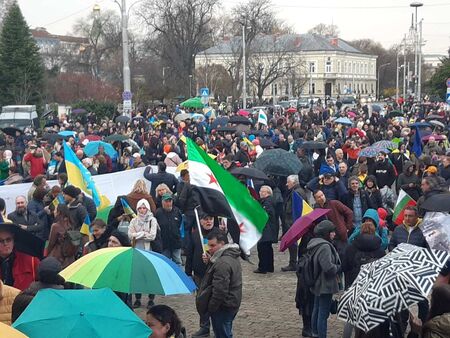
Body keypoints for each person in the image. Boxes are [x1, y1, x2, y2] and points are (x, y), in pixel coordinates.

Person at [196, 230, 242, 338]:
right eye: (208, 246)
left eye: (212, 245)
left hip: (223, 306)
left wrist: (211, 307)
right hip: (230, 303)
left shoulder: (222, 263)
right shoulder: (227, 257)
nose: (209, 249)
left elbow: (220, 290)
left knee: (222, 334)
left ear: (222, 244)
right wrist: (210, 262)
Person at [308, 220, 341, 338]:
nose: (334, 234)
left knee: (316, 309)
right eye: (332, 232)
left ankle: (315, 333)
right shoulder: (325, 247)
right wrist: (339, 267)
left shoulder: (315, 243)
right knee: (322, 312)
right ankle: (320, 335)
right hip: (325, 284)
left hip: (318, 282)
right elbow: (328, 268)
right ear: (326, 233)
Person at [186, 212, 216, 338]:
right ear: (201, 221)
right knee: (201, 302)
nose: (208, 221)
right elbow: (190, 253)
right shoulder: (195, 234)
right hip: (199, 273)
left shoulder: (218, 234)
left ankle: (217, 327)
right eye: (206, 219)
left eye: (210, 219)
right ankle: (204, 327)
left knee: (215, 301)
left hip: (215, 274)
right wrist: (188, 273)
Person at [128, 199, 158, 309]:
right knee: (137, 276)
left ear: (147, 208)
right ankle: (138, 298)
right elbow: (130, 235)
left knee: (150, 276)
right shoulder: (134, 221)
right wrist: (143, 233)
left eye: (144, 208)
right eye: (140, 208)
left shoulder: (152, 220)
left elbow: (152, 236)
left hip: (149, 251)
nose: (142, 210)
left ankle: (151, 299)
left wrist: (138, 234)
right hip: (137, 250)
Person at [313, 190, 353, 257]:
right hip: (328, 239)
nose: (322, 198)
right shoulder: (316, 210)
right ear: (315, 199)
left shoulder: (334, 203)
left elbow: (349, 213)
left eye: (322, 195)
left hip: (340, 236)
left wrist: (347, 227)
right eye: (319, 197)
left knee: (344, 256)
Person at [0, 223, 40, 290]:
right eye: (0, 241)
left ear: (13, 240)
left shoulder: (32, 261)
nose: (5, 244)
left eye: (8, 239)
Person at [282, 175, 308, 272]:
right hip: (293, 220)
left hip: (293, 221)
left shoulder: (297, 193)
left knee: (294, 244)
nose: (286, 184)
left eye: (288, 182)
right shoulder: (297, 191)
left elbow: (295, 208)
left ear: (293, 182)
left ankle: (293, 263)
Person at [46, 204, 78, 269]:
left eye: (55, 210)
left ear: (59, 212)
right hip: (70, 258)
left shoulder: (56, 226)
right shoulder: (71, 224)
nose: (54, 212)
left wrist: (47, 254)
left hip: (58, 257)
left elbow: (51, 243)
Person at [154, 193, 182, 265]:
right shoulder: (158, 213)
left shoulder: (177, 211)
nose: (168, 203)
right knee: (164, 263)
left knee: (178, 262)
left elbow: (180, 226)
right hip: (164, 244)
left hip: (176, 243)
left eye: (170, 201)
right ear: (162, 202)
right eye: (166, 201)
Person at [254, 185, 277, 274]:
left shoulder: (267, 203)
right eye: (260, 191)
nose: (260, 192)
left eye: (262, 191)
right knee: (268, 248)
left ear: (267, 193)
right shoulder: (267, 201)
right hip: (269, 228)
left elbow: (264, 214)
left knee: (262, 248)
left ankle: (262, 267)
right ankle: (269, 267)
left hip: (266, 229)